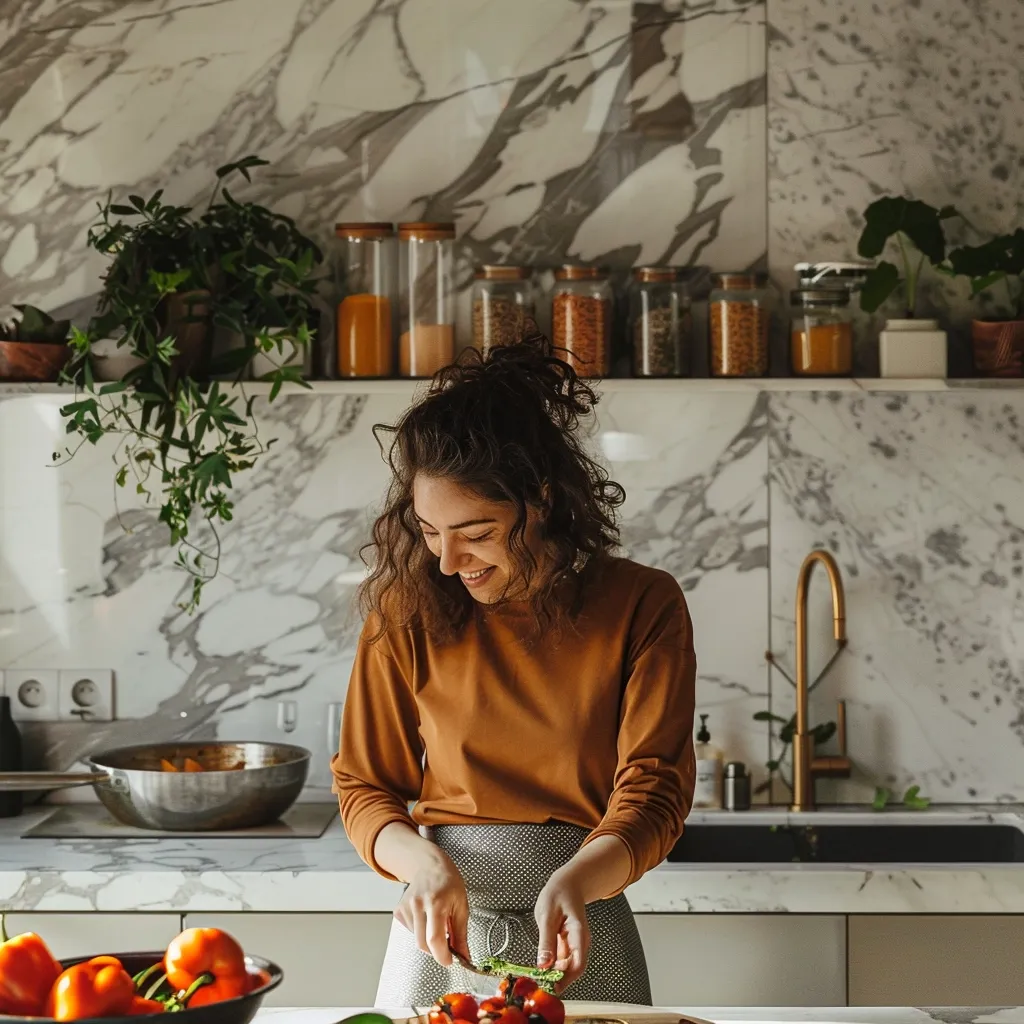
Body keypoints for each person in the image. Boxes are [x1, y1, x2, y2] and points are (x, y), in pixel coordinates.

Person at [331, 335, 696, 1007]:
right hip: (438, 931)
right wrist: (425, 867)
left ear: (543, 501)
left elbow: (655, 794)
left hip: (581, 924)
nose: (446, 561)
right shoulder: (403, 610)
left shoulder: (642, 604)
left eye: (474, 532)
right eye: (430, 531)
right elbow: (364, 786)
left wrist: (578, 880)